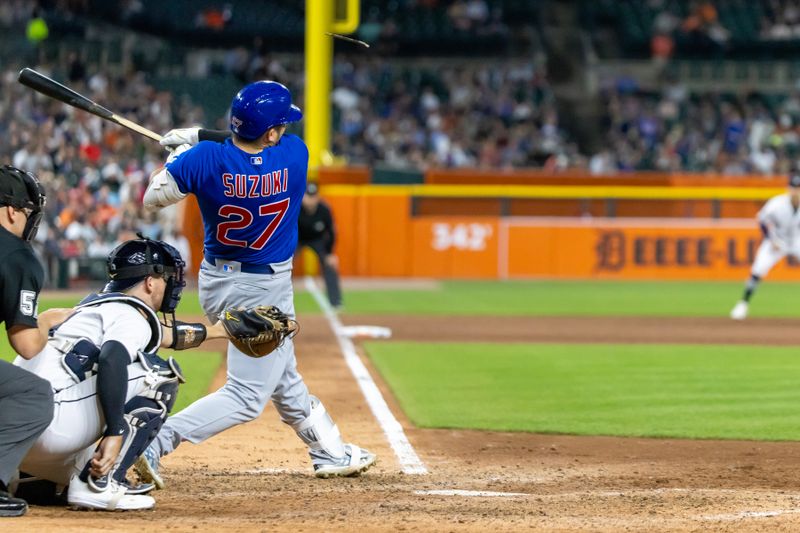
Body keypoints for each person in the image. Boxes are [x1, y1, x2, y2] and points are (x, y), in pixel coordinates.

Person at [139, 80, 376, 488]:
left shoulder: (205, 160)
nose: (283, 130)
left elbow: (153, 198)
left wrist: (185, 153)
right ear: (270, 132)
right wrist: (198, 142)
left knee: (282, 372)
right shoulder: (294, 155)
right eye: (280, 125)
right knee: (248, 396)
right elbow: (254, 147)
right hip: (265, 289)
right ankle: (152, 441)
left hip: (216, 281)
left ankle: (330, 450)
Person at [14, 236, 231, 511]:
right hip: (53, 429)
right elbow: (113, 358)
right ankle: (100, 484)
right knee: (158, 376)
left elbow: (166, 336)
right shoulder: (131, 313)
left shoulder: (92, 309)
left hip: (18, 439)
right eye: (166, 278)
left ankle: (34, 482)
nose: (172, 285)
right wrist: (115, 431)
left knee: (98, 379)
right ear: (150, 282)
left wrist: (223, 330)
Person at [0, 165, 72, 517]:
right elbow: (26, 345)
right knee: (32, 393)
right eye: (29, 211)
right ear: (12, 210)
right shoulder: (17, 255)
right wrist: (43, 320)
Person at [731, 173, 800, 320]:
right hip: (776, 240)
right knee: (757, 270)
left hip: (796, 240)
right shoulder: (777, 203)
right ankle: (743, 304)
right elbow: (761, 219)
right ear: (788, 189)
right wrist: (770, 239)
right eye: (794, 188)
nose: (797, 191)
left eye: (799, 188)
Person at [298, 181, 343, 309]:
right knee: (282, 266)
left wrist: (330, 253)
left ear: (318, 196)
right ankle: (277, 301)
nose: (310, 200)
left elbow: (332, 232)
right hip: (298, 240)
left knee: (330, 265)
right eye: (307, 195)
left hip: (317, 240)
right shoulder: (296, 208)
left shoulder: (324, 209)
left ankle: (336, 302)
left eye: (313, 196)